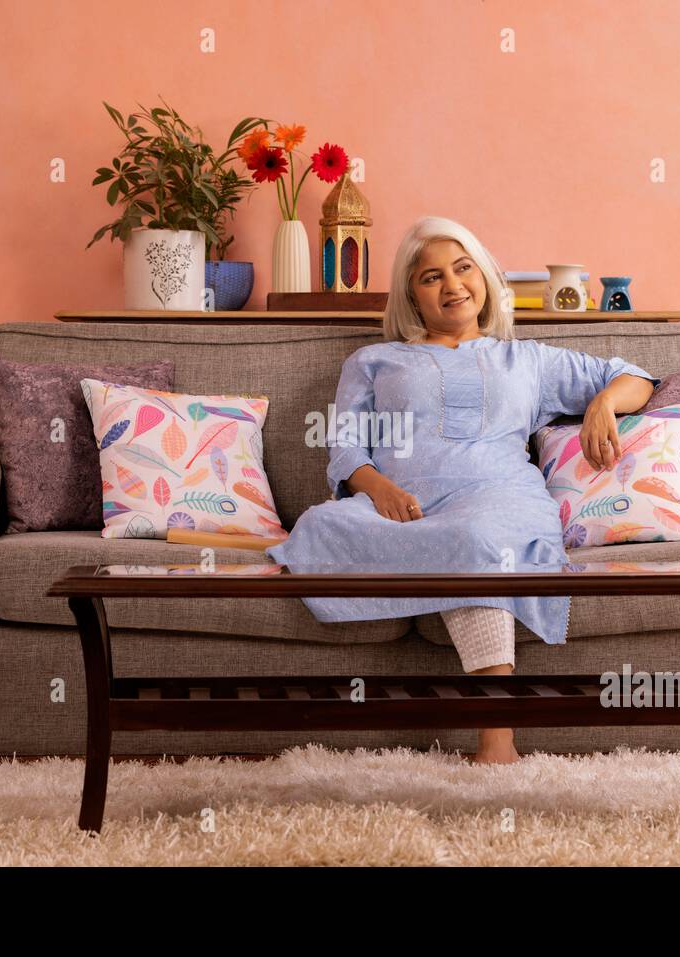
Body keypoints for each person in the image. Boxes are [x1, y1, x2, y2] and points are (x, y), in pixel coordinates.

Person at [266, 216, 660, 764]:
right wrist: (379, 489)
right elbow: (347, 450)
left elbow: (634, 376)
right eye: (431, 277)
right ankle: (439, 554)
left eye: (462, 268)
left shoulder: (527, 360)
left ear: (484, 276)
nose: (451, 285)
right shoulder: (374, 361)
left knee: (479, 541)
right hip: (403, 506)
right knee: (318, 527)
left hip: (498, 500)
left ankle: (496, 740)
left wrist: (600, 404)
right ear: (412, 294)